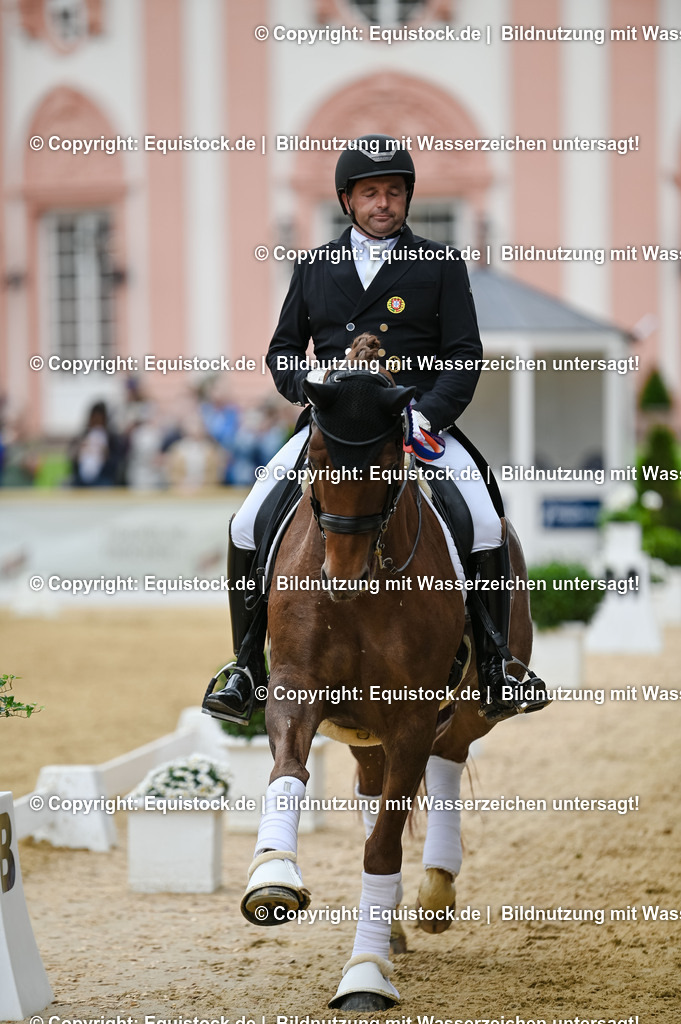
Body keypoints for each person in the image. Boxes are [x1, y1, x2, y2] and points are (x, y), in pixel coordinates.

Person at [203, 133, 549, 725]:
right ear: (347, 199)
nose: (383, 202)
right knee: (245, 523)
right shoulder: (314, 266)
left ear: (407, 198)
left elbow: (464, 355)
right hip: (331, 431)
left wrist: (425, 416)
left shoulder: (439, 264)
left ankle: (495, 666)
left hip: (413, 425)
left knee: (485, 523)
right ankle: (245, 669)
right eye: (370, 193)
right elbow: (283, 351)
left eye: (393, 191)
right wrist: (314, 388)